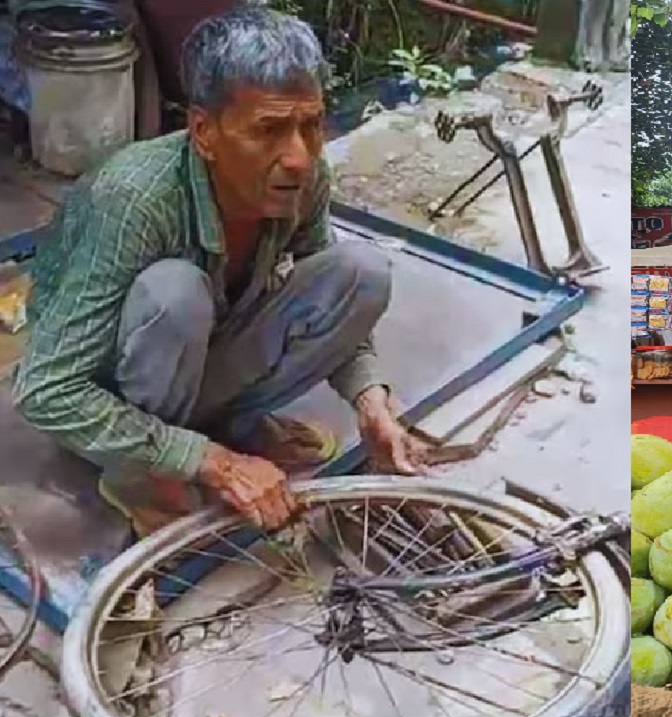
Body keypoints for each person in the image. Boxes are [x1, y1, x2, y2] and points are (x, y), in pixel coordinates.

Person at [11, 7, 432, 536]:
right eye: (270, 130)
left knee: (361, 272)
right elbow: (47, 391)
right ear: (204, 131)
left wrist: (373, 404)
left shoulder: (303, 177)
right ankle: (141, 471)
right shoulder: (132, 198)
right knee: (175, 293)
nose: (299, 157)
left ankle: (226, 426)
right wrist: (216, 464)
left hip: (204, 353)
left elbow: (328, 295)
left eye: (312, 125)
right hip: (114, 389)